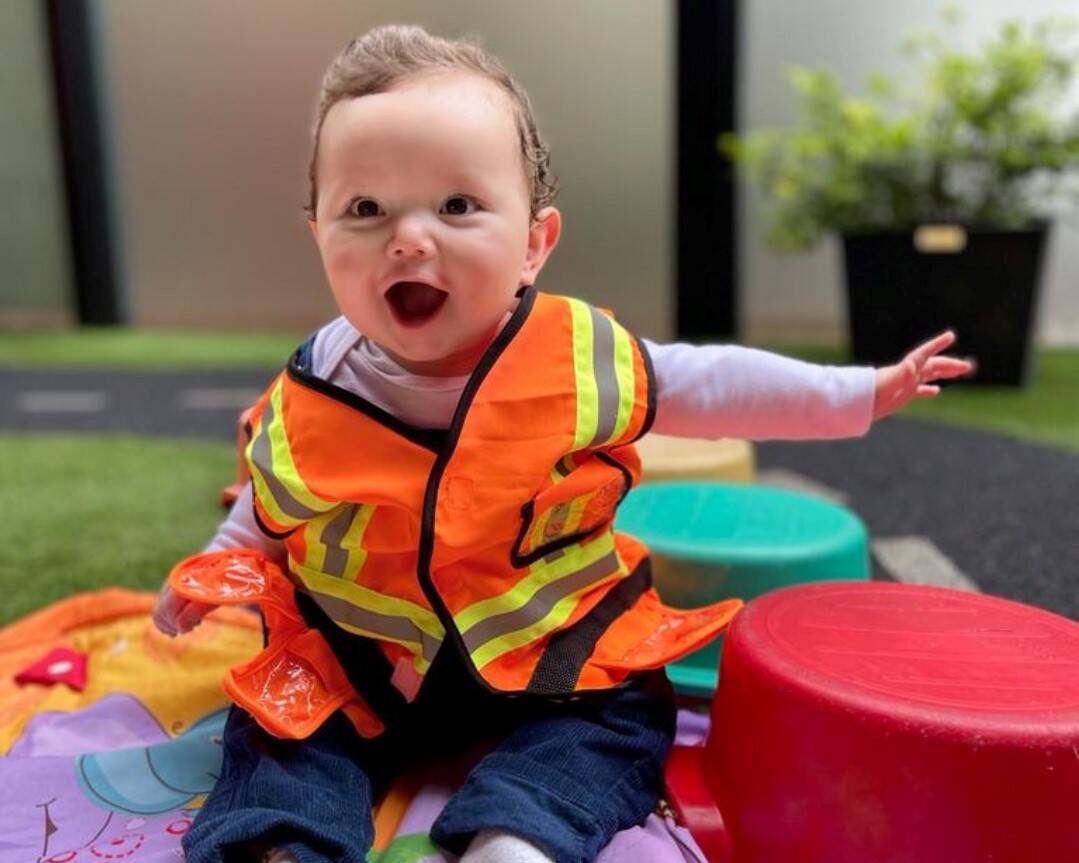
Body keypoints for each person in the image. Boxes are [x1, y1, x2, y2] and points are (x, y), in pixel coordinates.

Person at [153, 24, 974, 863]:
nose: (409, 238)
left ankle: (517, 832)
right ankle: (283, 844)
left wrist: (855, 392)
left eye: (457, 206)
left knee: (622, 713)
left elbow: (715, 381)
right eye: (365, 209)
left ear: (533, 245)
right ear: (319, 236)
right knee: (280, 725)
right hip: (366, 657)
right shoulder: (308, 390)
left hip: (550, 648)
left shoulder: (581, 358)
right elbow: (269, 503)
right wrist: (212, 567)